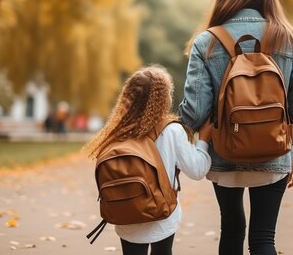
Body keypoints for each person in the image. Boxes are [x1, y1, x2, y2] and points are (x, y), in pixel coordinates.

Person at [178, 0, 293, 255]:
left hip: (224, 154)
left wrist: (175, 138)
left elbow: (195, 109)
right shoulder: (286, 38)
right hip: (274, 152)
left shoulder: (207, 42)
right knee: (264, 238)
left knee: (231, 230)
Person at [84, 65, 212, 255]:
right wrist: (204, 141)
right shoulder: (172, 130)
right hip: (162, 216)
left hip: (126, 214)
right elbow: (197, 170)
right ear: (162, 100)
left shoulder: (117, 132)